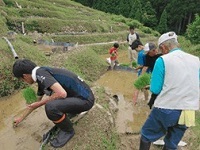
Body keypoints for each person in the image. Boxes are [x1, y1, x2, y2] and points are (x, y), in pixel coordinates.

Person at [12, 59, 95, 148]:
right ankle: (73, 112)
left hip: (85, 100)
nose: (25, 82)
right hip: (81, 97)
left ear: (25, 76)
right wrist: (20, 119)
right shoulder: (41, 76)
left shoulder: (41, 75)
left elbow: (61, 93)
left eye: (22, 79)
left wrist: (40, 104)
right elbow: (35, 104)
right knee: (54, 101)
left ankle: (68, 131)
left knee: (51, 107)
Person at [139, 31, 200, 150]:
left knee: (146, 135)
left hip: (167, 108)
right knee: (172, 143)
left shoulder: (163, 60)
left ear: (163, 47)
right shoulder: (196, 60)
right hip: (188, 111)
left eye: (161, 50)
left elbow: (155, 89)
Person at [131, 40, 149, 105]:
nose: (136, 51)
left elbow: (142, 65)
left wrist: (137, 68)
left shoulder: (141, 54)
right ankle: (146, 99)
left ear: (139, 46)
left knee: (137, 87)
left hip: (143, 73)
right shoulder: (147, 51)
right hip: (149, 73)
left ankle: (133, 103)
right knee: (145, 88)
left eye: (136, 49)